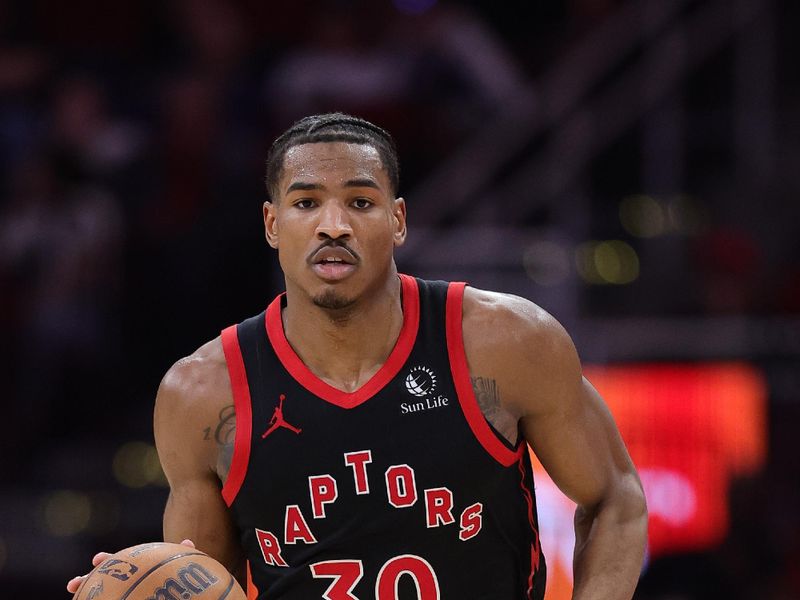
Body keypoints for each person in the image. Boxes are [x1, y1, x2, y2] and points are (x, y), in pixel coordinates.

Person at [68, 113, 647, 599]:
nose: (333, 225)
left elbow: (615, 497)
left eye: (360, 201)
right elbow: (201, 582)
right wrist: (135, 586)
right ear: (272, 224)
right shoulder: (202, 394)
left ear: (397, 220)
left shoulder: (505, 341)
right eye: (306, 202)